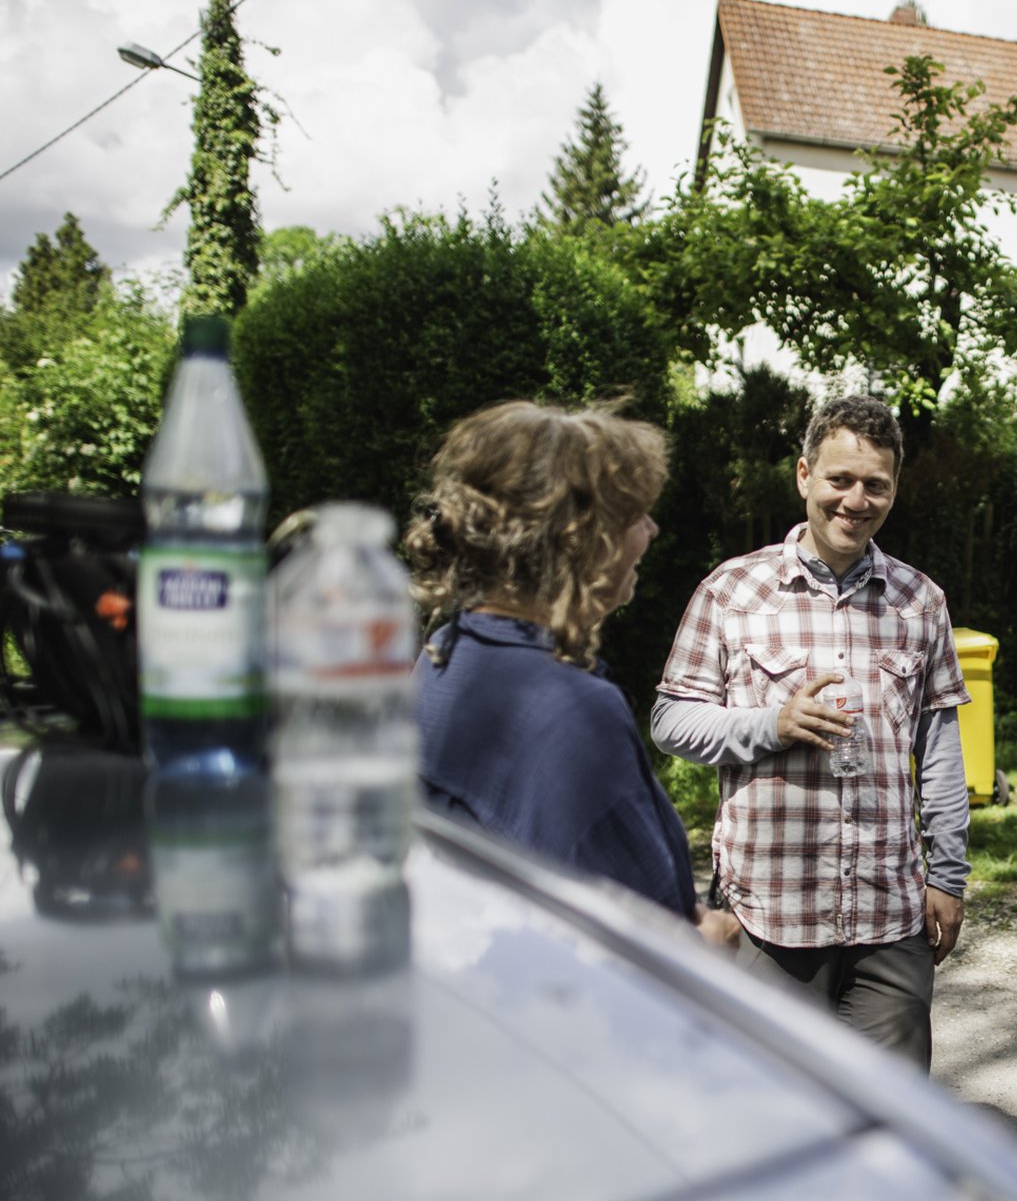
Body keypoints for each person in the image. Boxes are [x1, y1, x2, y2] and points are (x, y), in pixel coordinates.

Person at [650, 395, 969, 1068]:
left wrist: (948, 876)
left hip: (890, 912)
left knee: (893, 1122)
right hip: (772, 910)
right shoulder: (732, 591)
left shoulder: (922, 601)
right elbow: (671, 720)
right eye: (840, 480)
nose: (856, 500)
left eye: (875, 485)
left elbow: (940, 753)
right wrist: (773, 723)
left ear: (894, 490)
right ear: (804, 477)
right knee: (778, 1120)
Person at [406, 401, 738, 948]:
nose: (652, 530)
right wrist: (710, 938)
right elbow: (643, 956)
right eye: (635, 515)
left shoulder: (444, 650)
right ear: (578, 537)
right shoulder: (571, 710)